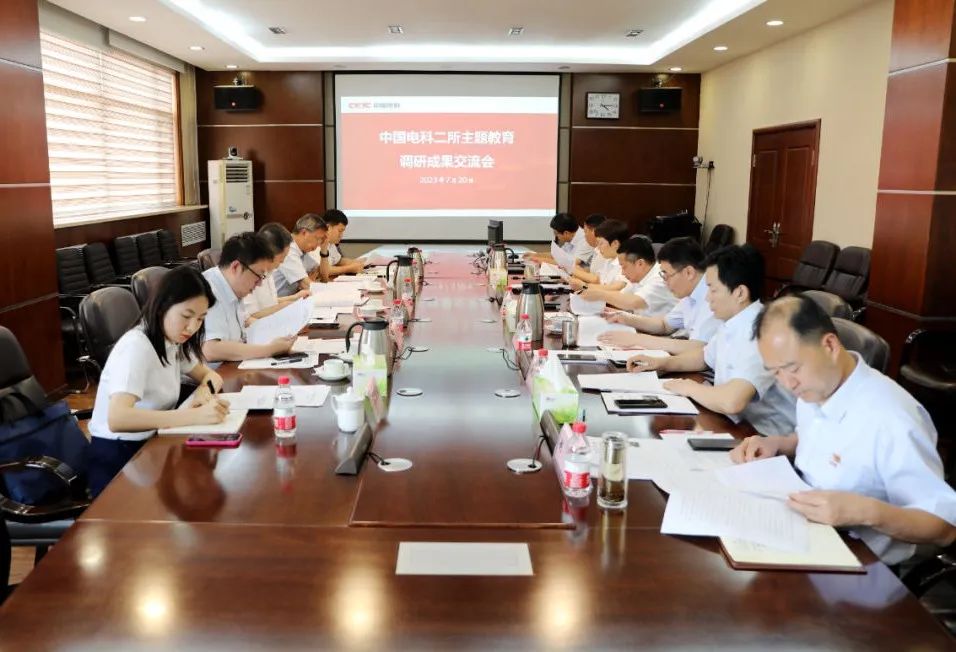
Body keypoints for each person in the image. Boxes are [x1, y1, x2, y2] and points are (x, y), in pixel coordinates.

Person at [731, 296, 956, 565]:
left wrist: (866, 512)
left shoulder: (891, 418)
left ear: (829, 345)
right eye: (775, 372)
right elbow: (817, 437)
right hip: (804, 530)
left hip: (861, 560)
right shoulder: (816, 386)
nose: (787, 383)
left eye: (792, 368)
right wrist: (779, 443)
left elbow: (944, 527)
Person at [87, 265, 230, 497]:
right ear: (163, 306)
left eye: (200, 319)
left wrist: (205, 390)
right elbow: (118, 418)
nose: (193, 327)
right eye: (186, 316)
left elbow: (211, 375)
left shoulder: (171, 341)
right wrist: (192, 416)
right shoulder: (136, 347)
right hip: (120, 459)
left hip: (152, 447)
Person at [627, 244, 795, 435]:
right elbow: (704, 356)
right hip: (737, 423)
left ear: (740, 293)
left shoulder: (761, 330)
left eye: (713, 290)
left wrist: (688, 387)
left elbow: (732, 401)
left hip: (767, 435)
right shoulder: (733, 321)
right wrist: (662, 363)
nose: (707, 298)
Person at [598, 236, 721, 354]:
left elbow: (699, 348)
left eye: (666, 274)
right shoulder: (690, 295)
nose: (665, 281)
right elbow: (665, 325)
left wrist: (637, 339)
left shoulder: (712, 297)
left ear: (689, 272)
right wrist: (625, 318)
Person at [202, 232, 295, 364]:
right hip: (213, 372)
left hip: (232, 365)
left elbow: (246, 320)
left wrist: (279, 333)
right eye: (259, 275)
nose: (260, 283)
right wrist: (269, 350)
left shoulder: (234, 287)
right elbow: (211, 350)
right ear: (236, 267)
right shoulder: (209, 289)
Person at [577, 235, 676, 317]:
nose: (622, 273)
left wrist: (600, 294)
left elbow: (634, 302)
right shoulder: (638, 278)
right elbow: (623, 298)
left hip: (663, 333)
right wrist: (607, 310)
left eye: (624, 267)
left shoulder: (661, 277)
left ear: (640, 264)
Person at [242, 222, 311, 323]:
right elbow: (249, 315)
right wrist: (284, 306)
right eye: (282, 257)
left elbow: (270, 302)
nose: (282, 262)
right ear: (269, 252)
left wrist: (294, 298)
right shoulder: (249, 272)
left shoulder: (269, 270)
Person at [275, 213, 330, 297]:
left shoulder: (303, 250)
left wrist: (324, 249)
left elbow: (324, 277)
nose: (319, 243)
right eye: (317, 238)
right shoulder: (288, 249)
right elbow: (307, 285)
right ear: (304, 233)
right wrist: (333, 292)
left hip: (291, 299)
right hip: (276, 302)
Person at [568, 218, 629, 291]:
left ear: (615, 244)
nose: (598, 248)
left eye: (601, 243)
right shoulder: (609, 260)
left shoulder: (626, 263)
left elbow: (614, 288)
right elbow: (600, 281)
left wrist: (583, 285)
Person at [525, 213, 593, 266]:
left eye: (556, 233)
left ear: (566, 233)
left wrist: (537, 259)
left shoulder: (585, 241)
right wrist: (535, 255)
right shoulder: (571, 236)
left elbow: (570, 264)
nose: (555, 236)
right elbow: (557, 256)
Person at [320, 209, 366, 276]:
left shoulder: (331, 244)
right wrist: (349, 268)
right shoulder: (316, 243)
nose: (341, 235)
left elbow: (339, 261)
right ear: (328, 227)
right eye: (340, 231)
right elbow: (323, 271)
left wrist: (356, 263)